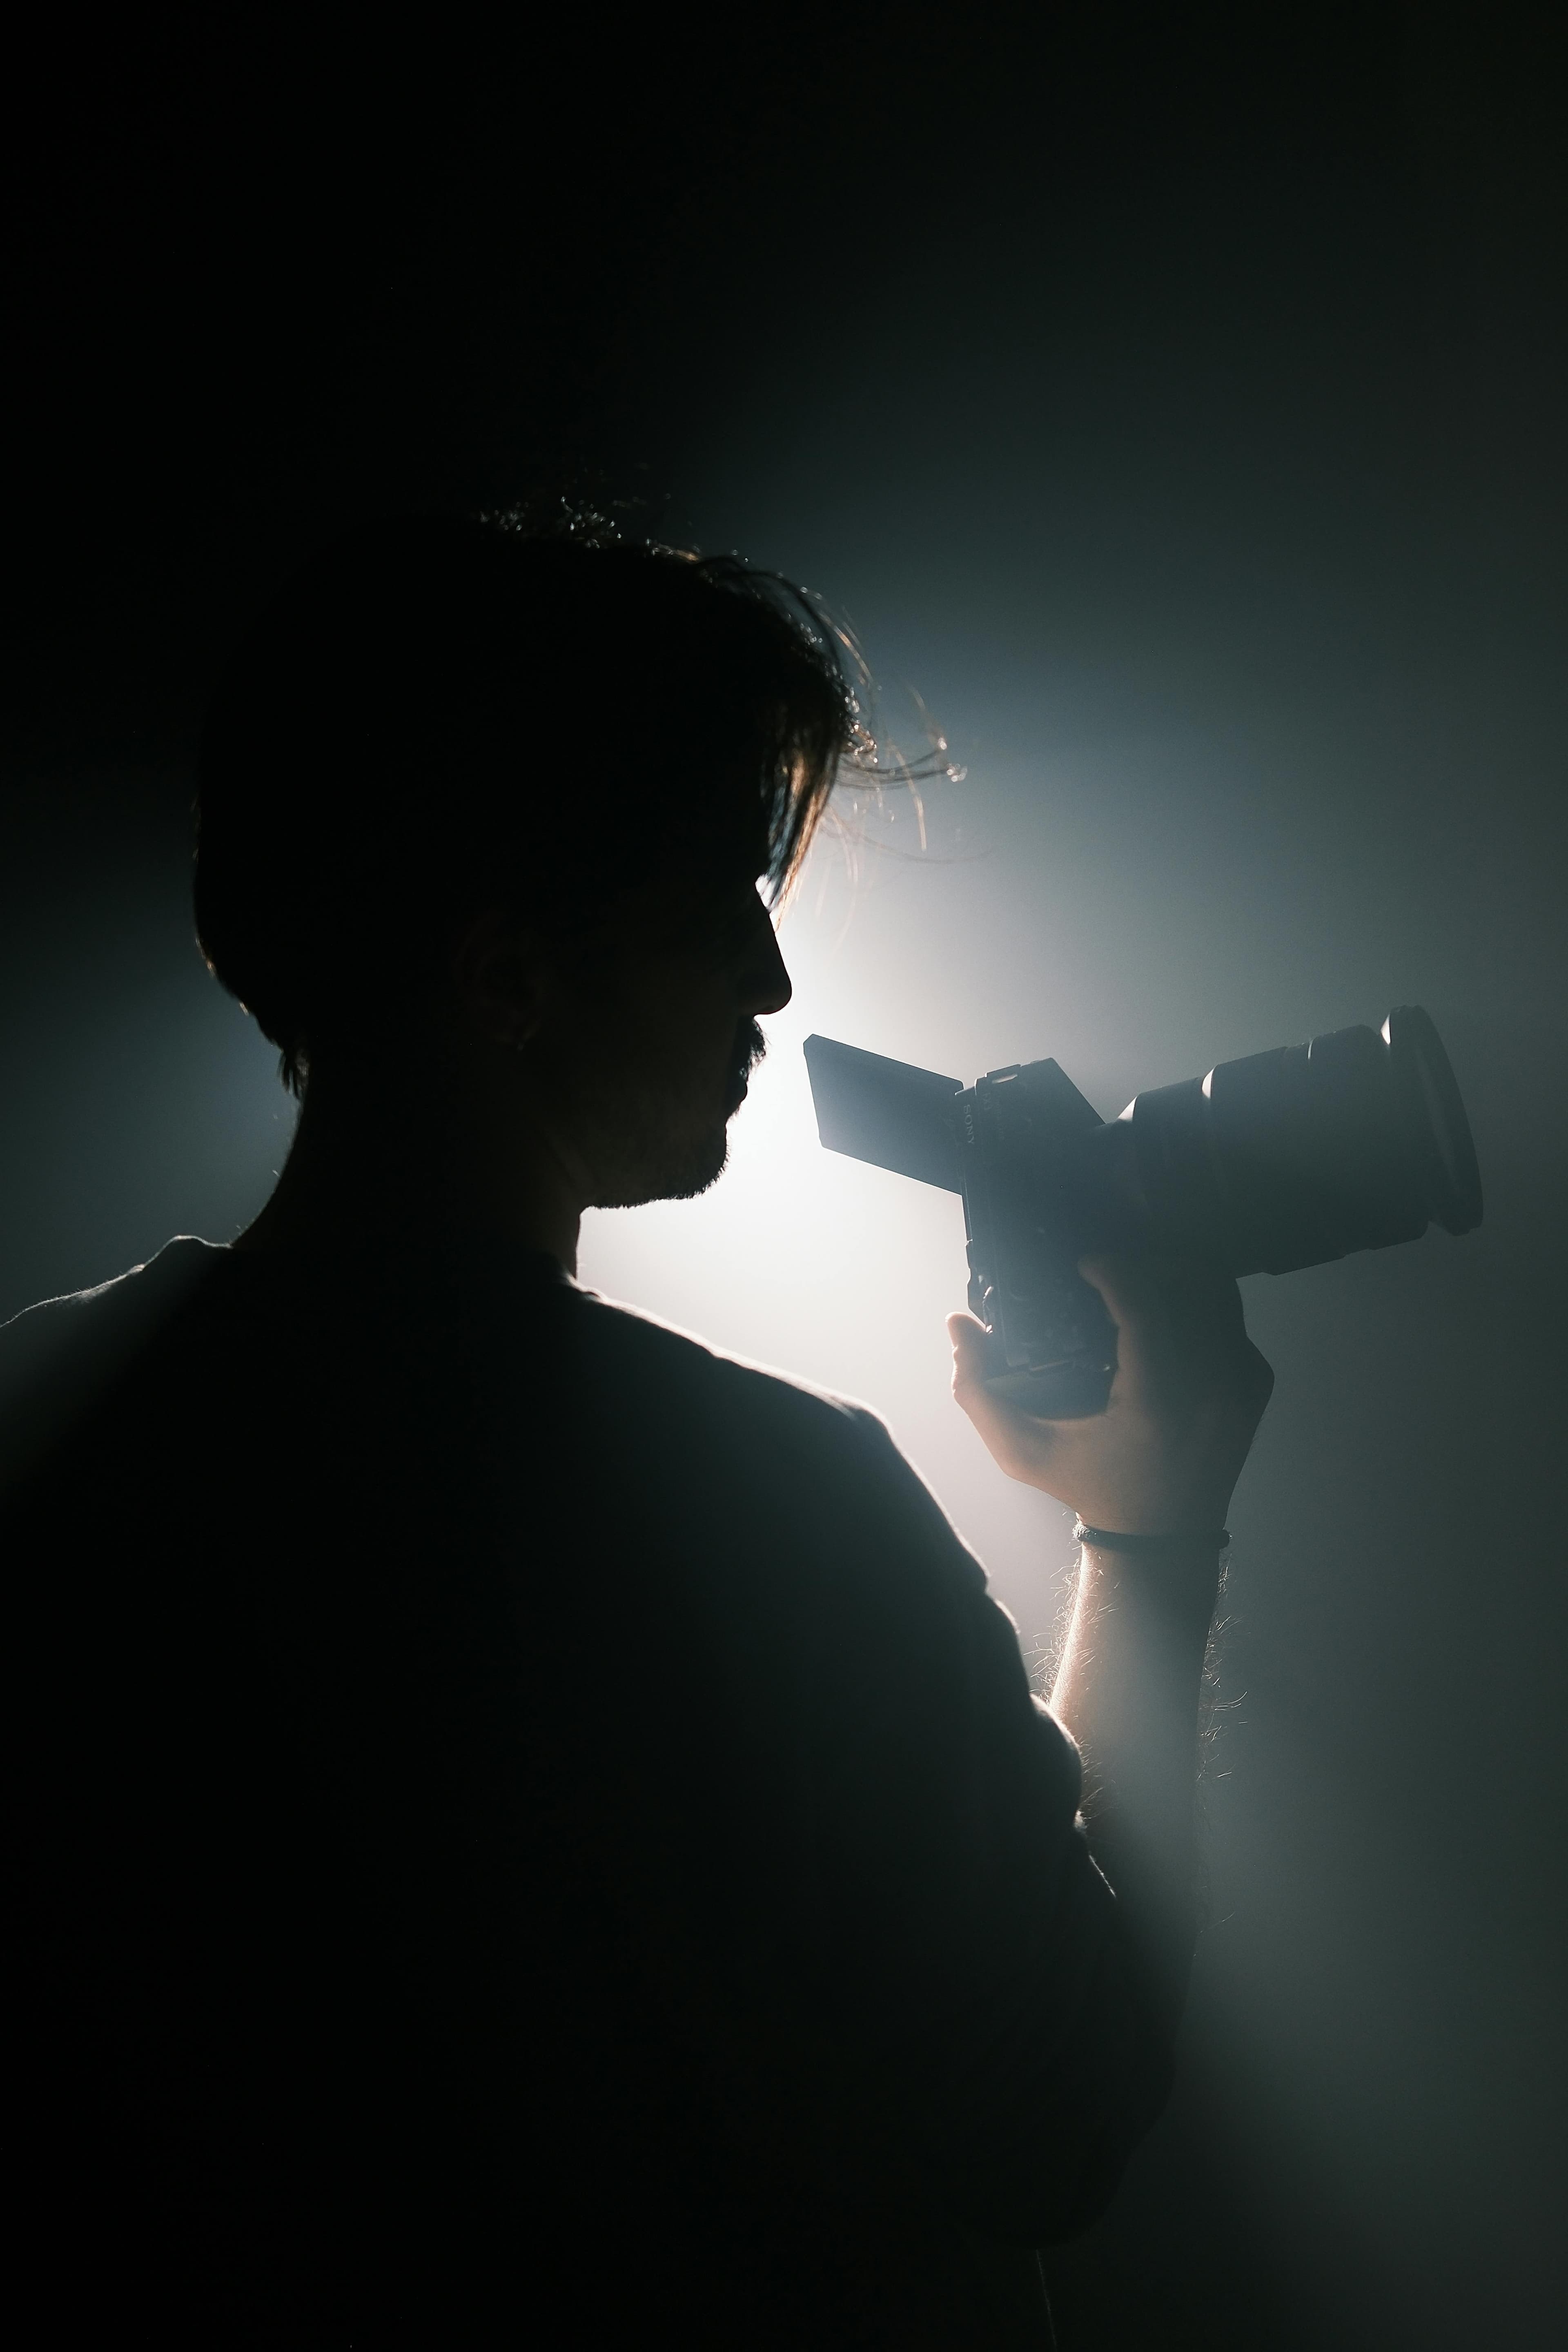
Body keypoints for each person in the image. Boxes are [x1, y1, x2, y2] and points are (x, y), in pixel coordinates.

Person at [2, 515, 1272, 2349]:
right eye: (710, 903)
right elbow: (1056, 2121)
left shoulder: (45, 1430)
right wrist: (1152, 1545)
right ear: (506, 978)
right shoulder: (777, 1518)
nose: (769, 981)